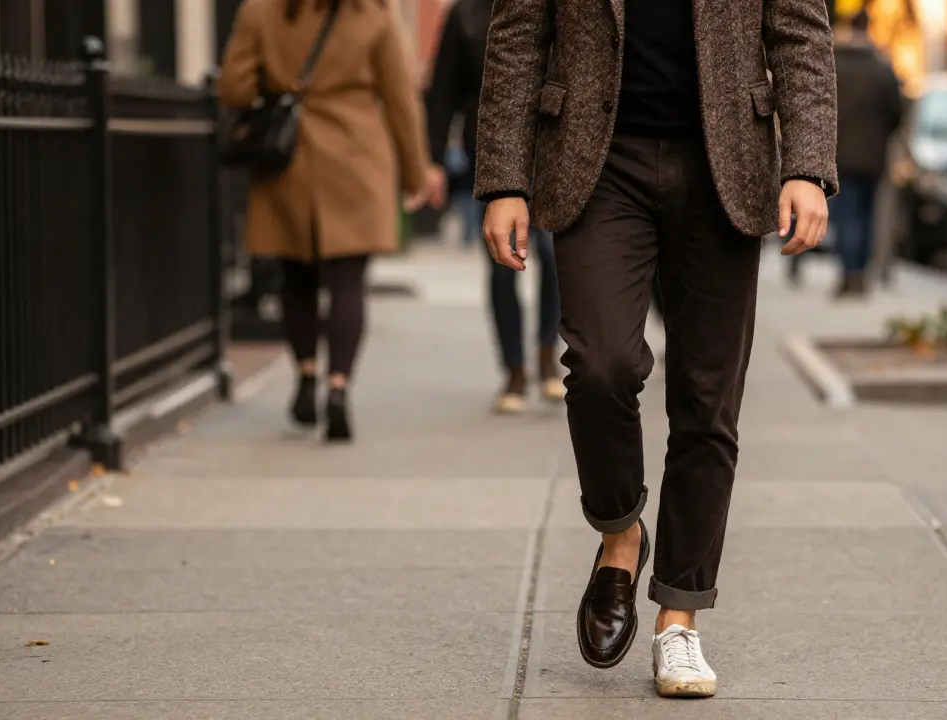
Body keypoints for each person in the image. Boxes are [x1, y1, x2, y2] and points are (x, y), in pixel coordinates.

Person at [475, 0, 838, 697]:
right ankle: (620, 533)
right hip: (595, 159)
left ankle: (680, 620)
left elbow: (799, 30)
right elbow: (518, 33)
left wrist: (807, 165)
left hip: (724, 160)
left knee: (708, 399)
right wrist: (504, 179)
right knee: (600, 363)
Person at [218, 0, 442, 441]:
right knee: (347, 281)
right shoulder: (373, 12)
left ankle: (305, 375)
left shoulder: (261, 10)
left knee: (295, 275)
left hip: (289, 162)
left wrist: (280, 81)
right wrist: (416, 172)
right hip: (356, 156)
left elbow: (233, 87)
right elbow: (400, 97)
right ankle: (338, 388)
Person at [424, 0, 564, 413]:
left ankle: (546, 354)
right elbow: (441, 92)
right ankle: (514, 369)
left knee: (553, 257)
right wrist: (433, 160)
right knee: (503, 266)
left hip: (553, 150)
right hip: (491, 154)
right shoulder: (466, 14)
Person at [826, 10, 902, 298]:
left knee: (845, 215)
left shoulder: (835, 66)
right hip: (873, 156)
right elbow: (897, 112)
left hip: (840, 155)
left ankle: (849, 272)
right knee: (867, 215)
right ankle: (860, 272)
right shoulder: (882, 69)